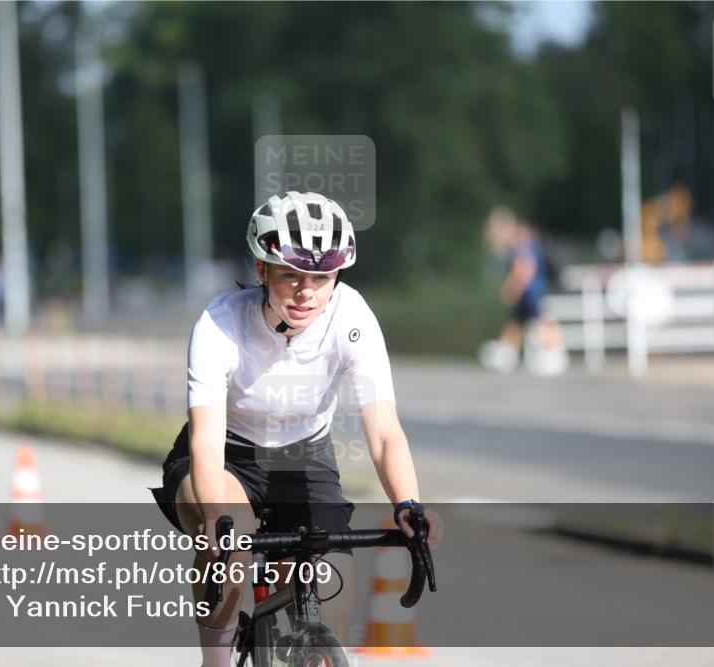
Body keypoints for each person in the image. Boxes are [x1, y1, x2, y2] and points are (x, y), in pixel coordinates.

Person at [150, 191, 444, 667]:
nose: (307, 292)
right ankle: (216, 660)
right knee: (233, 535)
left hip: (303, 458)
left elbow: (385, 431)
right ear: (263, 270)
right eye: (291, 276)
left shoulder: (353, 318)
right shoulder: (220, 324)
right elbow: (205, 439)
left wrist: (408, 505)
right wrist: (218, 520)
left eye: (322, 277)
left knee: (330, 596)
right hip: (223, 456)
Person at [480, 206, 569, 376]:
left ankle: (555, 354)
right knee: (518, 321)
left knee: (542, 321)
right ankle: (507, 351)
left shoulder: (520, 242)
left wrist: (511, 287)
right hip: (532, 290)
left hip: (533, 291)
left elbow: (524, 268)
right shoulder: (523, 239)